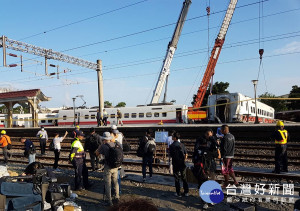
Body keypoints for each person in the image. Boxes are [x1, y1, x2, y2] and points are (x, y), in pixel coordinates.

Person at [96, 132, 122, 206]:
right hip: (116, 166)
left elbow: (97, 154)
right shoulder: (115, 144)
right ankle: (117, 197)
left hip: (108, 167)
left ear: (104, 139)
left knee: (108, 183)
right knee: (115, 182)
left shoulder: (103, 146)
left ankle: (109, 200)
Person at [169, 132, 189, 197]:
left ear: (175, 138)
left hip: (175, 164)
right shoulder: (182, 145)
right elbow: (186, 154)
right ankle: (186, 192)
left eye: (172, 136)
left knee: (177, 178)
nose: (172, 137)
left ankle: (178, 193)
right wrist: (184, 160)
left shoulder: (171, 146)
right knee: (184, 177)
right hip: (182, 164)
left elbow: (170, 155)